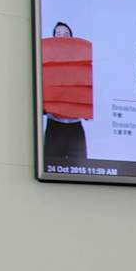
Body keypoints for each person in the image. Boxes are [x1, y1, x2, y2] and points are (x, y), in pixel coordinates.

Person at [42, 21, 89, 165]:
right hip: (54, 126)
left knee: (80, 168)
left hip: (75, 127)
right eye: (58, 34)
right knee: (52, 166)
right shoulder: (45, 65)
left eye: (66, 34)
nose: (62, 36)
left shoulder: (82, 65)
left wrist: (86, 108)